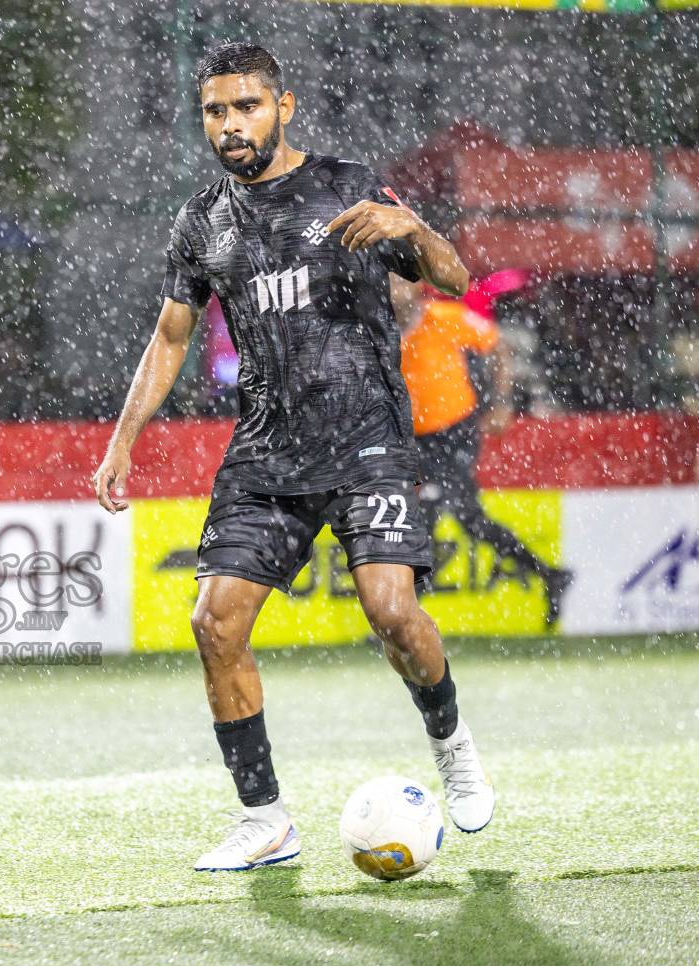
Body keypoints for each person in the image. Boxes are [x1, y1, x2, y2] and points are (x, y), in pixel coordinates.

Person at [92, 43, 494, 872]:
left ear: (286, 107)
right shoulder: (201, 221)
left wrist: (412, 228)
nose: (231, 124)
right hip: (267, 450)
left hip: (367, 439)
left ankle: (452, 744)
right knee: (214, 622)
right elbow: (171, 335)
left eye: (247, 106)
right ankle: (266, 820)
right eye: (216, 110)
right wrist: (122, 439)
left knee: (390, 611)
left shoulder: (349, 185)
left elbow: (453, 277)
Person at [390, 276, 574, 626]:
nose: (392, 289)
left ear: (417, 287)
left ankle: (407, 622)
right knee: (467, 519)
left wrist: (502, 401)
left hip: (453, 433)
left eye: (400, 282)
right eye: (388, 281)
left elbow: (498, 346)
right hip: (413, 439)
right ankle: (549, 574)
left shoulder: (446, 317)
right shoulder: (378, 326)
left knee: (428, 512)